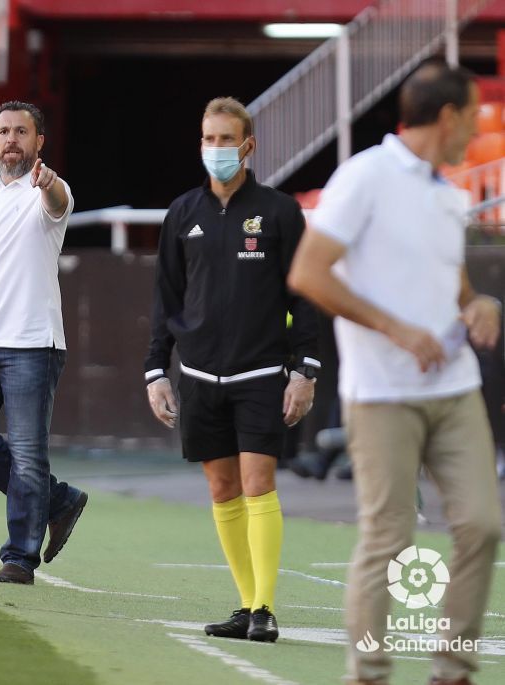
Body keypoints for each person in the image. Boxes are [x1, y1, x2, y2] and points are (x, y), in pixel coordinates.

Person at [288, 58, 502, 685]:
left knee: (483, 526)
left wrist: (479, 305)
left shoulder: (448, 193)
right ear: (448, 117)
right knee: (389, 538)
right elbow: (308, 273)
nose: (476, 130)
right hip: (381, 393)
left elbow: (453, 286)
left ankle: (452, 672)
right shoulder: (364, 176)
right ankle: (368, 674)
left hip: (455, 388)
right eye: (472, 116)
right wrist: (396, 329)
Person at [145, 97, 320, 642]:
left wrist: (305, 370)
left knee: (258, 483)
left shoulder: (280, 212)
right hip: (199, 377)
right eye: (209, 139)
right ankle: (245, 605)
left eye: (226, 139)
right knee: (222, 489)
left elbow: (305, 295)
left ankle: (265, 608)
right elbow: (166, 299)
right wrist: (156, 370)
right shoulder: (182, 213)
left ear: (248, 145)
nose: (216, 148)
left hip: (261, 374)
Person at [0, 101, 88, 585]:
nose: (11, 139)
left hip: (31, 343)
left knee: (28, 453)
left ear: (38, 141)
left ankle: (20, 559)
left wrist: (48, 184)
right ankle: (58, 500)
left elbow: (58, 203)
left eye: (21, 131)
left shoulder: (47, 190)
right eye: (3, 131)